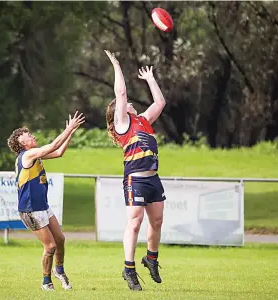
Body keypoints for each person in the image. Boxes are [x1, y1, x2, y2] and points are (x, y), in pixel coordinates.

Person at [104, 50, 167, 291]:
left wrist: (150, 79)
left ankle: (151, 259)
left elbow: (160, 103)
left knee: (157, 221)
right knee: (135, 223)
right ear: (118, 111)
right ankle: (128, 269)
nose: (129, 103)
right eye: (125, 104)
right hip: (135, 180)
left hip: (153, 179)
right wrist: (116, 65)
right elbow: (120, 92)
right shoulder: (123, 124)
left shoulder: (142, 120)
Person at [7, 111, 85, 291]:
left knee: (60, 239)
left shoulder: (35, 155)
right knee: (50, 246)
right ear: (22, 143)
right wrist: (69, 128)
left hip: (42, 206)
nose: (32, 135)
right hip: (30, 210)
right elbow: (52, 145)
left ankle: (59, 271)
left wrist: (70, 133)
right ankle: (46, 282)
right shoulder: (27, 155)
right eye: (28, 135)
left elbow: (58, 152)